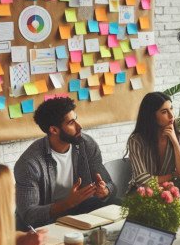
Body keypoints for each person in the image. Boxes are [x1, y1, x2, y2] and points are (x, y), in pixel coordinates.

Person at [15, 97, 116, 229]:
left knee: (120, 206)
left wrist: (105, 191)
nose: (80, 127)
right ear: (54, 130)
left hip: (79, 211)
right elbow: (29, 215)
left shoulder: (86, 144)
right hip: (45, 222)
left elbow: (111, 185)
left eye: (76, 119)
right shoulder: (29, 163)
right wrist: (68, 203)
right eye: (71, 123)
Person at [127, 91, 180, 193]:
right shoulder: (136, 141)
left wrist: (175, 142)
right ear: (151, 116)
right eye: (164, 112)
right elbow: (142, 179)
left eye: (171, 109)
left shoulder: (179, 137)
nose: (171, 115)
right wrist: (172, 175)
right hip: (143, 193)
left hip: (169, 190)